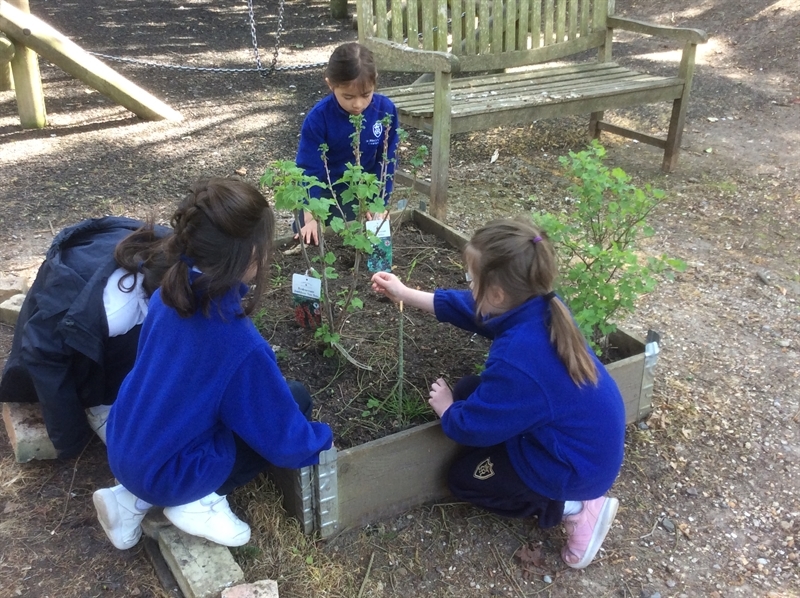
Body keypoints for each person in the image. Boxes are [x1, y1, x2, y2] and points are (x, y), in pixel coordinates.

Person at [370, 218, 626, 569]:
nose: (469, 286)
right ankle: (560, 488)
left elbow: (472, 428)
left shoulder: (519, 357)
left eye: (471, 280)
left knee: (464, 479)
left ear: (496, 294)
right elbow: (471, 311)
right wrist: (404, 293)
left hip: (574, 468)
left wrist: (448, 412)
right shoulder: (540, 307)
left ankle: (576, 508)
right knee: (468, 391)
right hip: (577, 442)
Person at [93, 178, 333, 550]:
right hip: (171, 473)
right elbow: (284, 439)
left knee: (209, 403)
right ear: (249, 257)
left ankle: (129, 499)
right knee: (296, 398)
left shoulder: (169, 294)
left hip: (125, 442)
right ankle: (198, 500)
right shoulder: (239, 343)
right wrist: (320, 440)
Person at [0, 217, 171, 458]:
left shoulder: (175, 254)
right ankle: (101, 405)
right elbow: (42, 356)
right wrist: (71, 439)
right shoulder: (114, 310)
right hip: (68, 346)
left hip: (100, 325)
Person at [294, 41, 400, 245]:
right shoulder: (319, 118)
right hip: (323, 196)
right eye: (348, 96)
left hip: (364, 194)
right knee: (312, 244)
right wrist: (311, 216)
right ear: (330, 84)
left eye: (366, 94)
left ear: (375, 83)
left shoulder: (385, 111)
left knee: (371, 244)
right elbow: (309, 169)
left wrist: (379, 202)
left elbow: (387, 161)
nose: (358, 104)